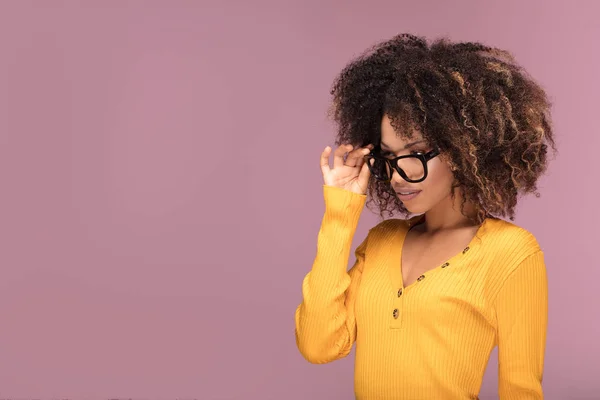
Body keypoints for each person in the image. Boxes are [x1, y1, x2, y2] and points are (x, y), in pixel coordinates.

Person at [294, 33, 555, 400]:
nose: (399, 174)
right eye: (389, 157)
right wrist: (340, 212)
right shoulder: (382, 241)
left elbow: (521, 390)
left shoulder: (512, 253)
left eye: (414, 153)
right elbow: (318, 345)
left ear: (462, 150)